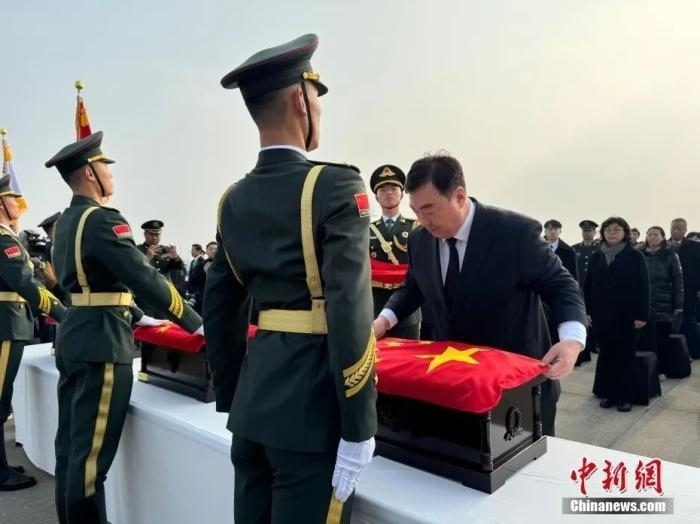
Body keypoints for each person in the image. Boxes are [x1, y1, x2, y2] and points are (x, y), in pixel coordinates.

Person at [203, 34, 376, 524]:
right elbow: (350, 309)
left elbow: (220, 308)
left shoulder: (232, 200)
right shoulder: (334, 185)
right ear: (301, 97)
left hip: (253, 408)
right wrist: (359, 424)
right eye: (317, 96)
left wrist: (235, 398)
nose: (319, 107)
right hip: (312, 413)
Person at [45, 131, 202, 524]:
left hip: (75, 336)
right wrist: (195, 323)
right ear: (89, 173)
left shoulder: (66, 221)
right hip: (102, 342)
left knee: (69, 450)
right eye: (105, 166)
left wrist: (137, 315)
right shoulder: (102, 220)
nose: (110, 173)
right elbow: (144, 277)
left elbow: (90, 284)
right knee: (90, 462)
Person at [373, 153, 586, 437]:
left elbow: (561, 285)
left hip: (515, 387)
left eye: (429, 209)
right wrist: (383, 321)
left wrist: (571, 341)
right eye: (416, 210)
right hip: (453, 385)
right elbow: (413, 288)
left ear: (459, 196)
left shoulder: (513, 233)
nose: (423, 220)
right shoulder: (419, 239)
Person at [0, 175, 66, 491]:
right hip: (5, 324)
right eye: (12, 198)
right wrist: (63, 313)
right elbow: (25, 284)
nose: (18, 203)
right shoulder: (4, 239)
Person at [585, 217, 650, 412]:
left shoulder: (635, 256)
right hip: (602, 314)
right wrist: (587, 310)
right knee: (606, 354)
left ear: (625, 233)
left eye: (617, 229)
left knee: (625, 355)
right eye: (608, 230)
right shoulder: (597, 256)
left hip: (627, 315)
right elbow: (588, 286)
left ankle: (625, 397)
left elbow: (643, 287)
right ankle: (609, 393)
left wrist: (642, 315)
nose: (612, 233)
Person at [368, 164, 421, 339]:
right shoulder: (366, 230)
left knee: (409, 352)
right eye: (382, 190)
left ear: (402, 194)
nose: (388, 193)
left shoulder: (416, 227)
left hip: (408, 306)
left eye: (393, 188)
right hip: (375, 304)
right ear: (376, 197)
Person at [637, 226, 683, 376]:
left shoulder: (670, 254)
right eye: (649, 234)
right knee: (644, 339)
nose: (652, 237)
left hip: (664, 303)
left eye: (656, 235)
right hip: (644, 303)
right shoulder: (639, 254)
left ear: (663, 237)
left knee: (661, 339)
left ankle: (661, 370)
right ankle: (646, 372)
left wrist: (678, 306)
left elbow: (678, 281)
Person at [668, 218, 700, 359]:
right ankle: (676, 353)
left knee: (689, 320)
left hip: (689, 288)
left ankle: (695, 351)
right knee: (671, 321)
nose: (676, 231)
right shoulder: (665, 246)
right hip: (669, 290)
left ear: (685, 230)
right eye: (673, 228)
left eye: (679, 228)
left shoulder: (695, 246)